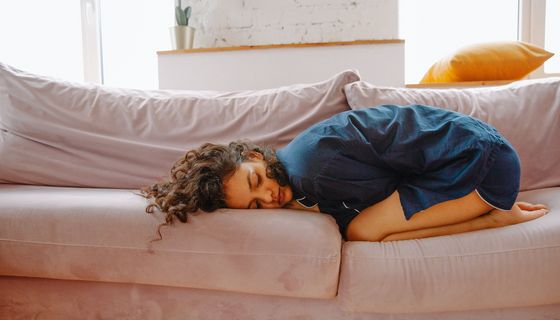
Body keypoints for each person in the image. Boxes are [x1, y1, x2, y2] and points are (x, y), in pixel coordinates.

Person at [141, 104, 548, 241]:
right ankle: (481, 210)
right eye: (254, 204)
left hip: (482, 167)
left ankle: (494, 216)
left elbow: (372, 210)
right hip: (478, 149)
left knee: (362, 233)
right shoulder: (297, 161)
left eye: (256, 180)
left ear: (255, 156)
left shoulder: (314, 172)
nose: (268, 196)